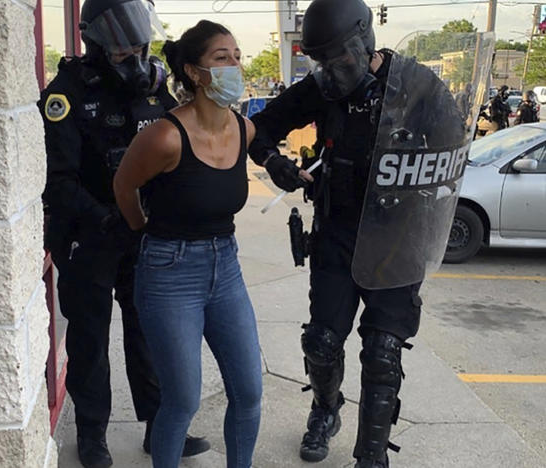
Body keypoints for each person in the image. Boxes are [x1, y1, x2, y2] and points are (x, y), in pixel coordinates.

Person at [248, 0, 466, 467]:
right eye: (322, 60)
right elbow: (260, 127)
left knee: (383, 351)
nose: (333, 69)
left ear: (365, 40)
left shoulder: (420, 85)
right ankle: (326, 410)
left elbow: (452, 153)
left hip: (398, 238)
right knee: (322, 342)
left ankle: (372, 454)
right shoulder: (322, 87)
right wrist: (274, 162)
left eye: (341, 57)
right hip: (337, 233)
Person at [37, 1, 209, 466]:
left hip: (144, 238)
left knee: (151, 333)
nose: (134, 59)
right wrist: (106, 217)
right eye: (121, 52)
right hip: (87, 237)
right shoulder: (67, 93)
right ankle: (92, 434)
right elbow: (58, 180)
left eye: (139, 47)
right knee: (90, 339)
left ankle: (160, 426)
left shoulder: (157, 90)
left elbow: (180, 154)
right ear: (95, 44)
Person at [113, 20, 263, 468]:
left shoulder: (244, 130)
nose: (234, 65)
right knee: (181, 401)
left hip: (226, 268)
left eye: (237, 55)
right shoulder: (164, 136)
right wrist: (145, 233)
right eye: (222, 58)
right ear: (195, 73)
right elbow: (123, 186)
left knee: (250, 393)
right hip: (169, 272)